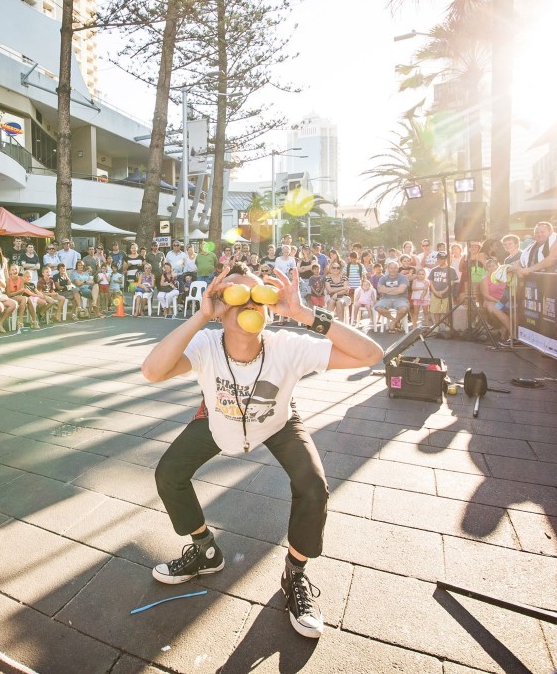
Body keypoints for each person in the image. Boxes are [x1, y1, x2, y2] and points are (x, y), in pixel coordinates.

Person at [141, 265, 381, 638]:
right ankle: (204, 550)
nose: (249, 301)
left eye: (258, 295)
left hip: (277, 422)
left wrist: (303, 314)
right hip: (220, 420)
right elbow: (153, 371)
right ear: (222, 308)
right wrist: (202, 315)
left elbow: (370, 354)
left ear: (270, 310)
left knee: (313, 485)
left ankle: (295, 573)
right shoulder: (206, 345)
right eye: (237, 295)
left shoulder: (287, 346)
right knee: (169, 474)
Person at [479, 256, 512, 343]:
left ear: (498, 266)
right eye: (489, 266)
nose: (492, 268)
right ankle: (513, 334)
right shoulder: (485, 279)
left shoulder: (504, 276)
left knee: (514, 310)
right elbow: (486, 295)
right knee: (496, 309)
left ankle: (503, 328)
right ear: (487, 268)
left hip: (505, 299)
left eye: (494, 266)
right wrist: (499, 301)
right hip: (491, 300)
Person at [374, 261, 411, 333]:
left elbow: (401, 290)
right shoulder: (383, 278)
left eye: (395, 268)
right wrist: (395, 289)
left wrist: (386, 289)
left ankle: (393, 323)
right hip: (386, 299)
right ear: (388, 269)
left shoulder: (403, 278)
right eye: (391, 268)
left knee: (404, 309)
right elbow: (379, 290)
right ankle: (395, 321)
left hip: (400, 299)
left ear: (398, 269)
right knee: (378, 308)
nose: (393, 270)